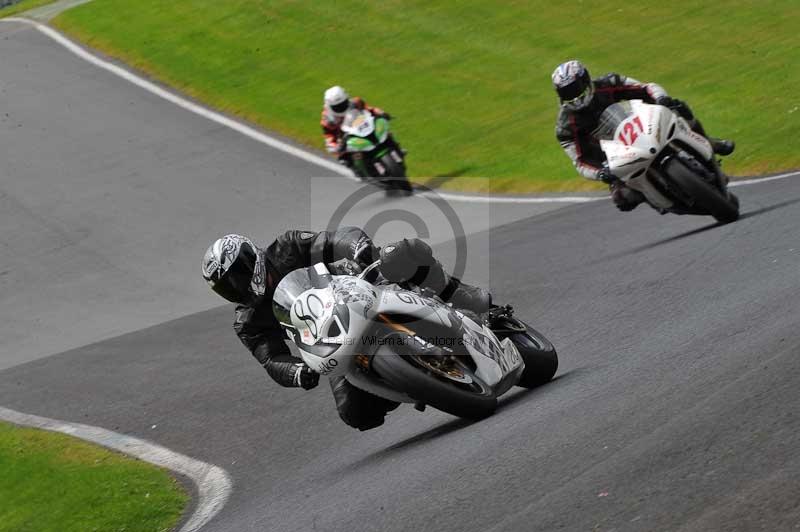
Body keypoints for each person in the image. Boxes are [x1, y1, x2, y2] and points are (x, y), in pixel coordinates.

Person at [201, 228, 491, 431]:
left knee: (401, 252)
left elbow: (331, 240)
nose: (237, 289)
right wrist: (297, 371)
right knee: (355, 413)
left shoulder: (287, 247)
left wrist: (357, 248)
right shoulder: (248, 321)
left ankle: (459, 293)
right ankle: (415, 380)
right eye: (228, 288)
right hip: (333, 342)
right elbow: (271, 358)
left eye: (237, 277)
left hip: (362, 291)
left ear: (251, 258)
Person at [551, 60, 735, 211]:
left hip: (640, 127)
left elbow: (645, 88)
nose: (573, 96)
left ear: (586, 80)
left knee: (679, 108)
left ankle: (709, 143)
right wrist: (600, 173)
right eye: (566, 93)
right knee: (623, 200)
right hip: (616, 159)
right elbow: (580, 161)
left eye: (575, 89)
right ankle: (653, 197)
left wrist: (661, 98)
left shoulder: (609, 83)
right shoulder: (565, 127)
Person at [321, 85, 389, 165]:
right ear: (329, 106)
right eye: (337, 106)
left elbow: (370, 109)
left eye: (343, 104)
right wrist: (335, 146)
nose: (341, 107)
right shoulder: (328, 119)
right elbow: (329, 137)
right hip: (346, 139)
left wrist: (381, 113)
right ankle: (361, 169)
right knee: (345, 159)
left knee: (383, 127)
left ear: (347, 98)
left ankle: (395, 147)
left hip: (363, 127)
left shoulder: (356, 102)